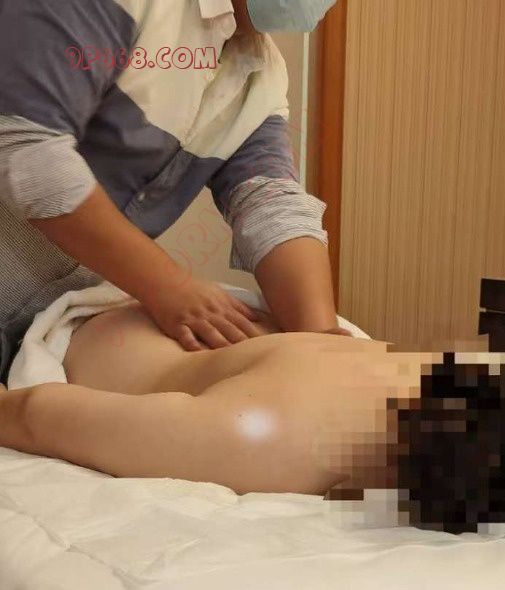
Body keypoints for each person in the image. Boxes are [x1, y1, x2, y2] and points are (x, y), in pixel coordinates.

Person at [0, 298, 505, 535]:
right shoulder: (265, 437)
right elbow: (35, 414)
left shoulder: (443, 378)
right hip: (99, 328)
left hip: (233, 338)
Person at [0, 0, 340, 383]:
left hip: (43, 325)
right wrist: (168, 286)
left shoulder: (261, 76)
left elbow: (271, 204)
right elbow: (26, 146)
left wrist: (321, 339)